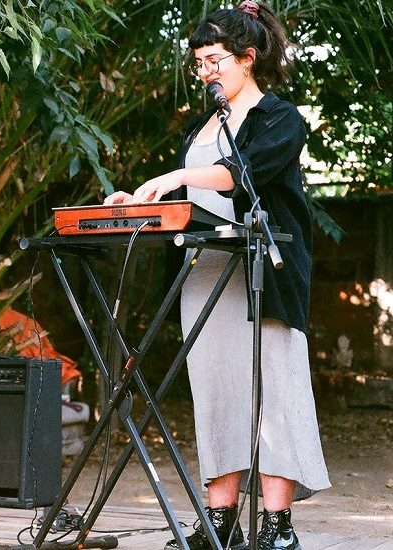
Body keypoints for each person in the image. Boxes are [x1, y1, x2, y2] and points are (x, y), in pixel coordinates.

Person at [104, 2, 329, 549]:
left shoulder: (279, 117)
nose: (205, 73)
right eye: (199, 63)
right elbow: (191, 200)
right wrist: (139, 201)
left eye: (215, 61)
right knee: (215, 393)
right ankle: (220, 521)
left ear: (247, 58)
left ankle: (277, 526)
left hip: (262, 273)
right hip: (204, 272)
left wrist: (175, 175)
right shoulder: (199, 127)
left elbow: (241, 174)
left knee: (274, 392)